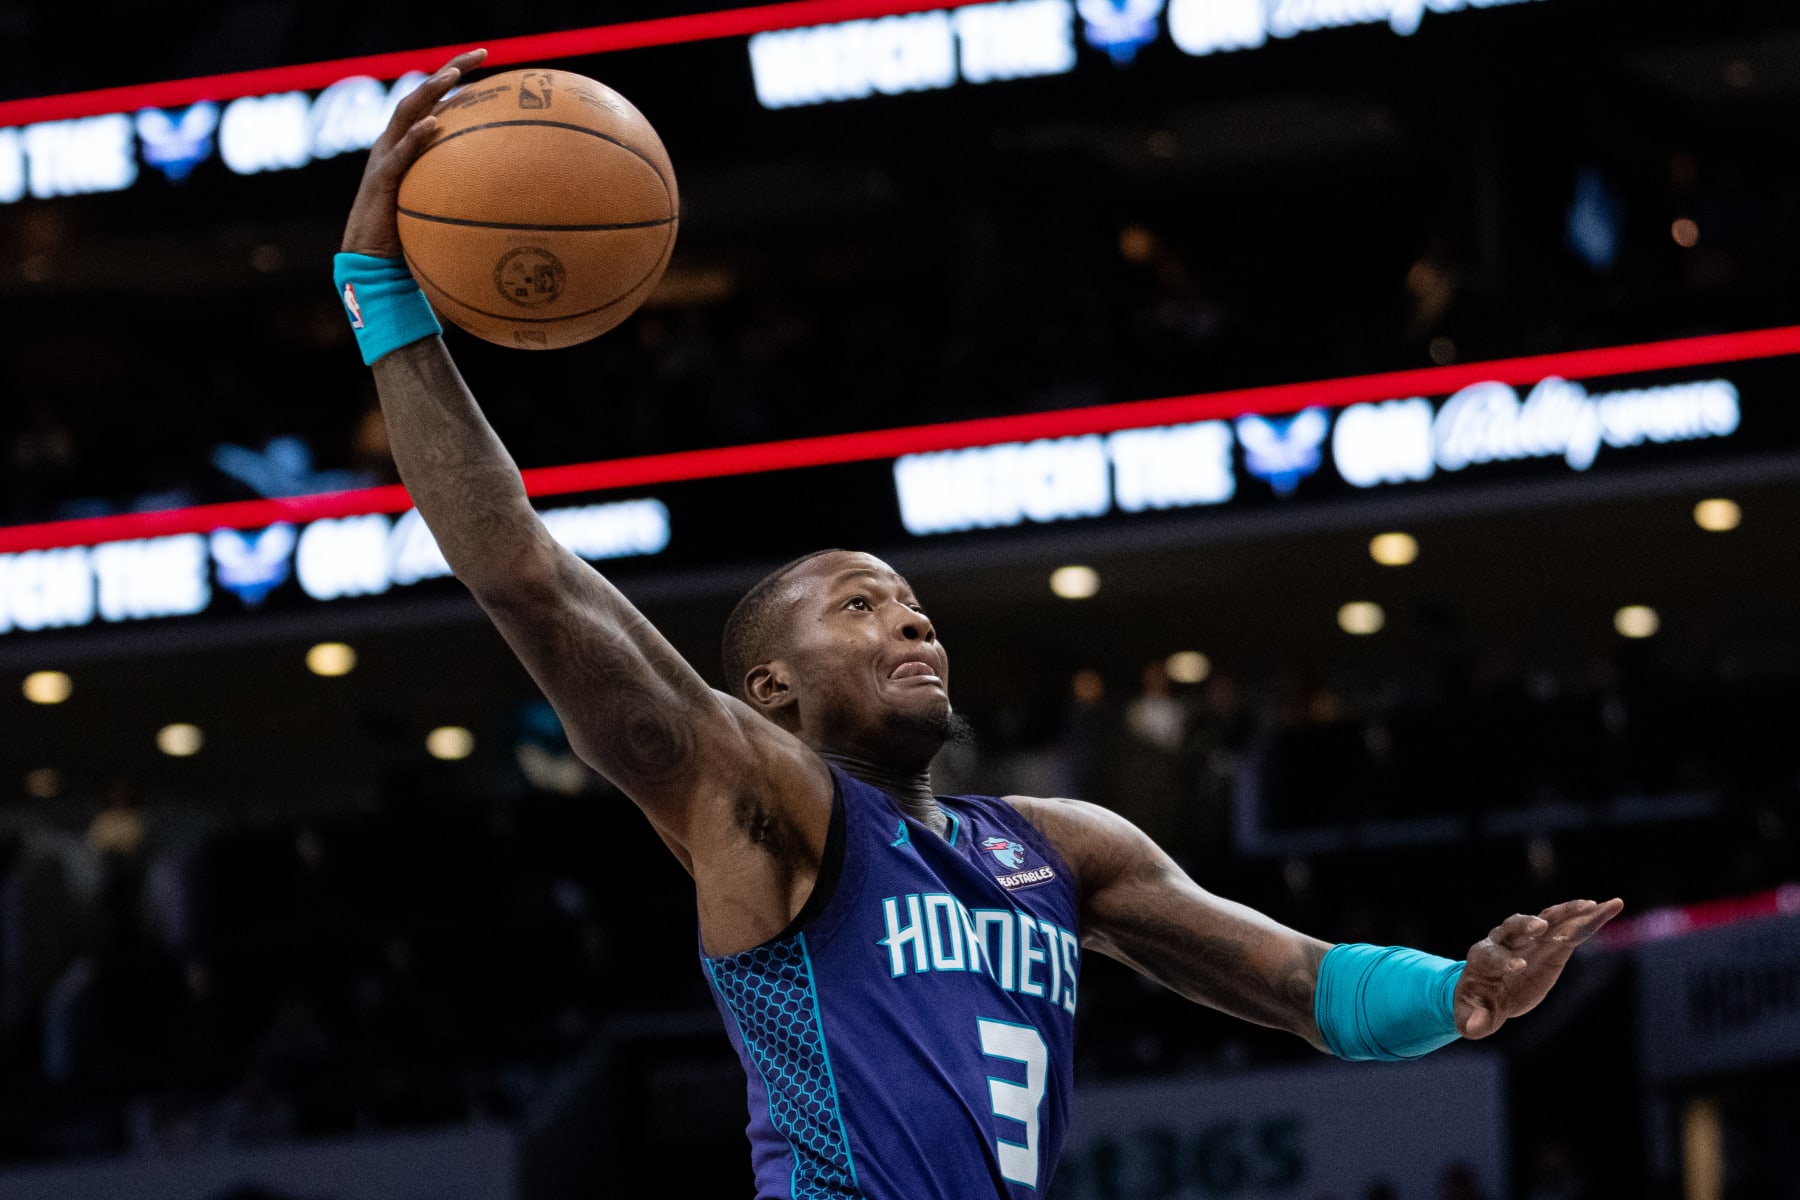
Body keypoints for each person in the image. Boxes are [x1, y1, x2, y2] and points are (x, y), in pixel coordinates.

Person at [337, 50, 1624, 1199]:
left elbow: (1297, 982)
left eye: (914, 605)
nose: (912, 623)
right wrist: (382, 294)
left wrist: (1456, 993)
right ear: (770, 687)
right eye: (859, 605)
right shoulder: (759, 798)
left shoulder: (1063, 849)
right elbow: (524, 573)